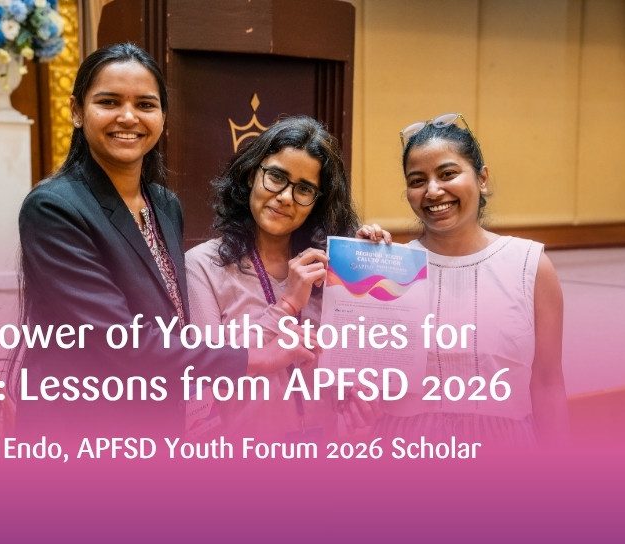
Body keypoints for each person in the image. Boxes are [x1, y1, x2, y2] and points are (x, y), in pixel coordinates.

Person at [16, 43, 309, 436]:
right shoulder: (54, 208)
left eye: (145, 104)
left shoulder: (164, 204)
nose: (128, 116)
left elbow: (170, 319)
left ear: (163, 117)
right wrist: (253, 358)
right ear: (76, 111)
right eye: (108, 101)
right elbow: (121, 341)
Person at [186, 116, 390, 440]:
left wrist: (373, 262)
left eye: (304, 189)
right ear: (253, 174)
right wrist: (288, 304)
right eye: (276, 177)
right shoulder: (203, 267)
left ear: (317, 202)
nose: (285, 196)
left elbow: (357, 368)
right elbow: (207, 372)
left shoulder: (332, 269)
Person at [378, 113, 569, 446]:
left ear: (482, 179)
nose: (433, 191)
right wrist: (360, 265)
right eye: (417, 180)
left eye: (448, 173)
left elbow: (548, 381)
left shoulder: (531, 265)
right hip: (406, 446)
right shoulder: (390, 266)